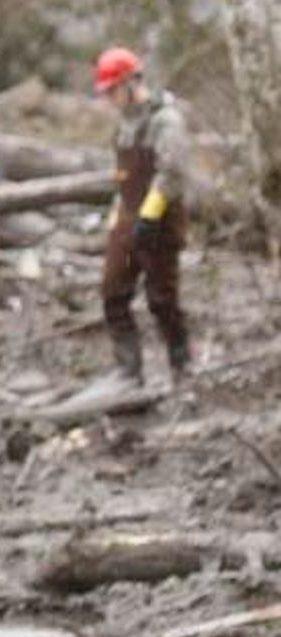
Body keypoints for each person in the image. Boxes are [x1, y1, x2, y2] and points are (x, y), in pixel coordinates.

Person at [93, 46, 194, 384]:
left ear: (131, 83)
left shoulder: (166, 121)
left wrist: (149, 217)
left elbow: (172, 172)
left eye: (113, 91)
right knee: (112, 292)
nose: (110, 99)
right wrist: (117, 222)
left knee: (161, 299)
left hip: (160, 223)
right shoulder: (123, 126)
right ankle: (128, 371)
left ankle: (181, 365)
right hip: (127, 219)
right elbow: (122, 178)